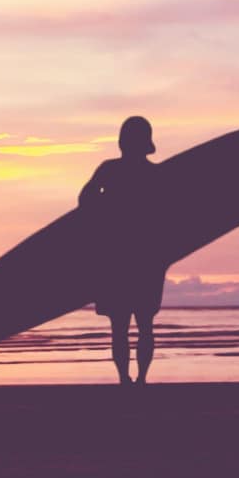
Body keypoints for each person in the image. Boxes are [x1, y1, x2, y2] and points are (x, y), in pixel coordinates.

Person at [79, 115, 164, 386]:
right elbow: (169, 217)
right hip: (146, 260)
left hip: (116, 258)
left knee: (120, 328)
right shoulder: (155, 175)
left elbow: (85, 200)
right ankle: (140, 380)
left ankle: (125, 380)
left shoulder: (109, 170)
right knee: (144, 326)